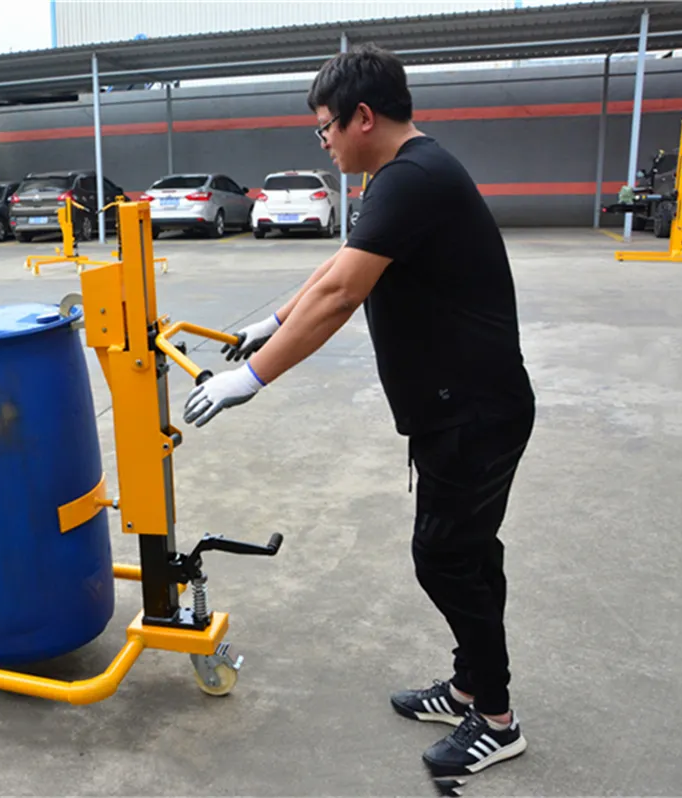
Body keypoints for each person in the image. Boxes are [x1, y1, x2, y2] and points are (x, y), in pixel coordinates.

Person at [182, 44, 536, 780]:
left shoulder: (413, 178)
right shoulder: (401, 175)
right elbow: (339, 268)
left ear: (362, 117)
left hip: (474, 413)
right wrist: (274, 321)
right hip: (460, 409)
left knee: (447, 559)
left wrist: (251, 377)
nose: (324, 141)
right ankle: (469, 688)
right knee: (470, 555)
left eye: (325, 127)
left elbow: (343, 297)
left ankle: (497, 720)